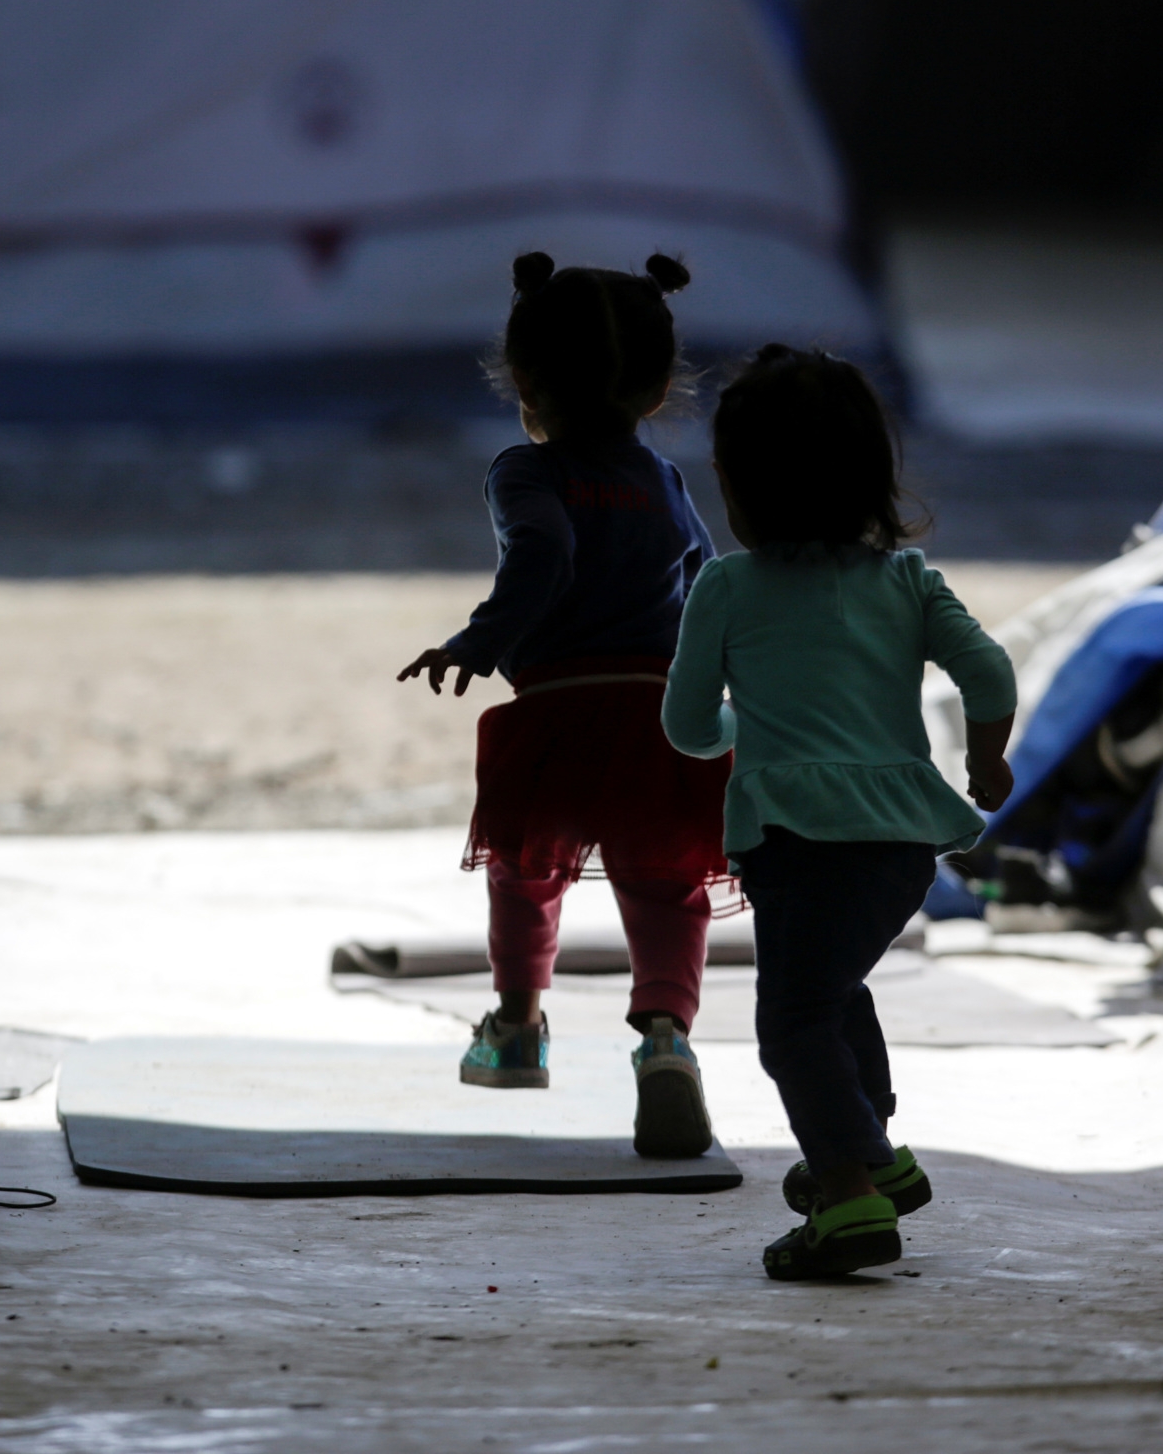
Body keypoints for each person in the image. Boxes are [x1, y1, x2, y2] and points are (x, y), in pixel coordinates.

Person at [663, 345, 1017, 1280]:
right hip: (904, 843)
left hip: (798, 841)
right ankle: (874, 1154)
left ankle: (851, 1201)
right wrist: (986, 760)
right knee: (831, 985)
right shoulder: (909, 580)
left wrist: (751, 721)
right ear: (874, 474)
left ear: (735, 484)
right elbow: (989, 671)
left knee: (793, 1022)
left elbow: (689, 726)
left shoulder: (726, 587)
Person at [399, 251, 731, 1158]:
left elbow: (541, 558)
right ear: (660, 383)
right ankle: (666, 1040)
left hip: (556, 711)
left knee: (524, 872)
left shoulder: (524, 472)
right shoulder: (665, 479)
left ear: (525, 381)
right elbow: (705, 579)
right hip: (658, 717)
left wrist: (479, 639)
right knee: (669, 887)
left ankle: (515, 1030)